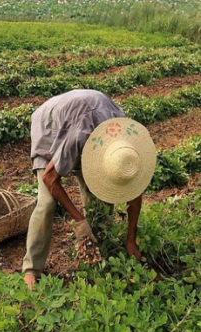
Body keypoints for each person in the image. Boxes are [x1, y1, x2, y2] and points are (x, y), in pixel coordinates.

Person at [22, 89, 156, 290]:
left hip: (88, 117)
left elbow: (134, 197)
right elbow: (50, 178)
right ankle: (32, 268)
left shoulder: (125, 150)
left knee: (98, 198)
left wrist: (130, 240)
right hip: (50, 126)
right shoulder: (78, 138)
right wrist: (79, 221)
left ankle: (97, 244)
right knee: (47, 203)